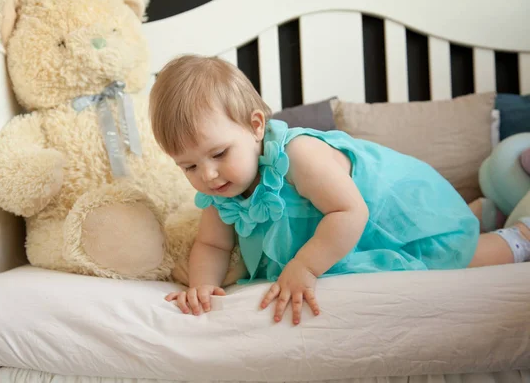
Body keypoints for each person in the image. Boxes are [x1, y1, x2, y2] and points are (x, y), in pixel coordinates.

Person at [148, 54, 530, 325]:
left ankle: (519, 237)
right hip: (336, 232)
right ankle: (485, 211)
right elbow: (213, 245)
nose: (209, 175)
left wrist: (304, 266)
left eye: (218, 153)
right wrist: (202, 286)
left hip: (385, 212)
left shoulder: (298, 155)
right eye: (189, 166)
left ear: (256, 126)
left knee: (447, 256)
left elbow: (350, 212)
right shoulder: (221, 191)